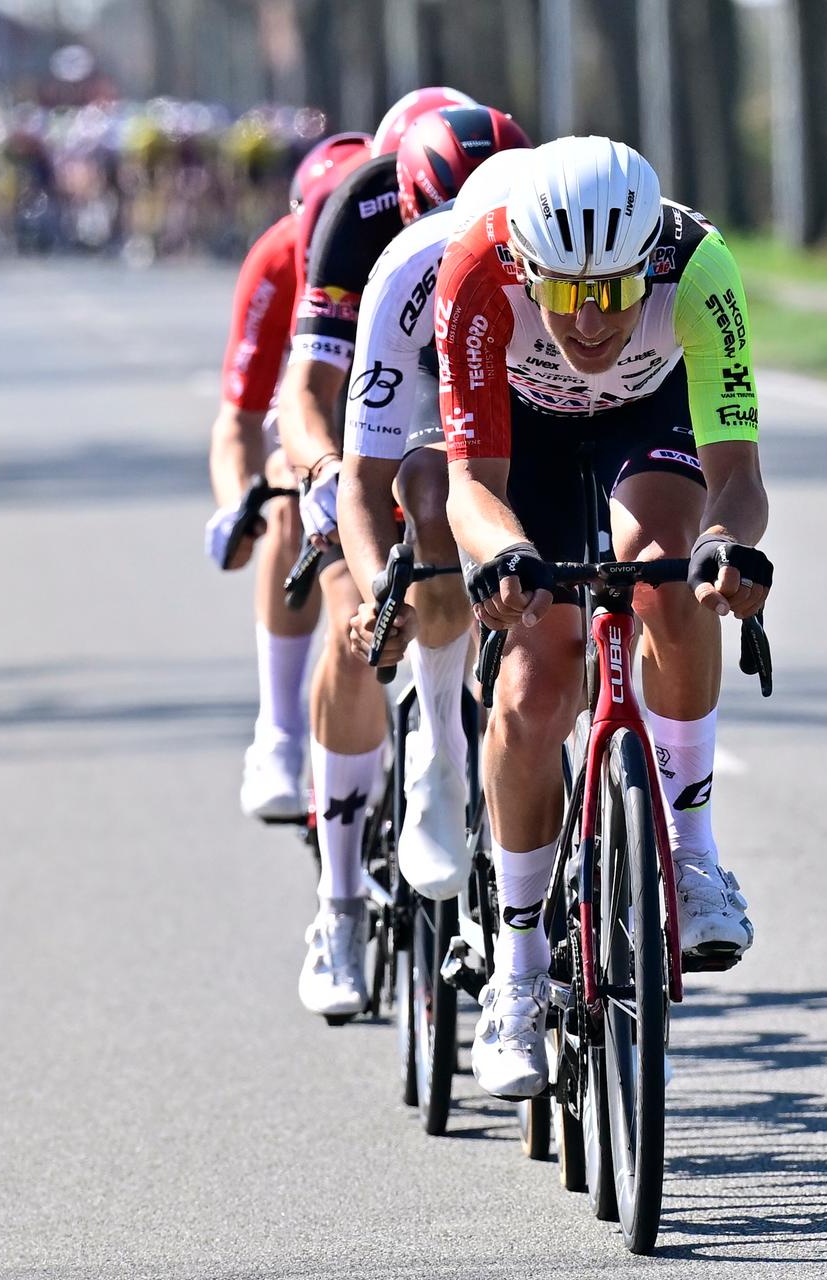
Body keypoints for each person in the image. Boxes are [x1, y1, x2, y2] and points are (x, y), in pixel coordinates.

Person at [432, 136, 773, 1098]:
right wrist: (505, 555)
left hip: (647, 418)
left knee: (670, 573)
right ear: (525, 267)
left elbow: (739, 479)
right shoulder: (476, 273)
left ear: (648, 265)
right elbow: (471, 486)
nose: (590, 321)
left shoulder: (700, 269)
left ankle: (693, 858)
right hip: (523, 433)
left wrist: (726, 547)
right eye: (567, 292)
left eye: (616, 292)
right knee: (535, 679)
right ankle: (517, 970)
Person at [276, 89, 518, 1020]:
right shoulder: (360, 215)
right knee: (359, 625)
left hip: (496, 379)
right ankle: (338, 906)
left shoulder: (535, 209)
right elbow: (310, 390)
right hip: (378, 402)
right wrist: (325, 475)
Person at [334, 108, 532, 902]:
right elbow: (360, 479)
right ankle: (439, 754)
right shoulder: (407, 265)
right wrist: (378, 595)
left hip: (544, 360)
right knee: (429, 494)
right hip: (429, 370)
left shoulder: (557, 239)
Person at [202, 131, 371, 822]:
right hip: (316, 420)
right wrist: (237, 505)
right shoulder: (276, 258)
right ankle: (277, 733)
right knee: (282, 487)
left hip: (396, 410)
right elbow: (239, 421)